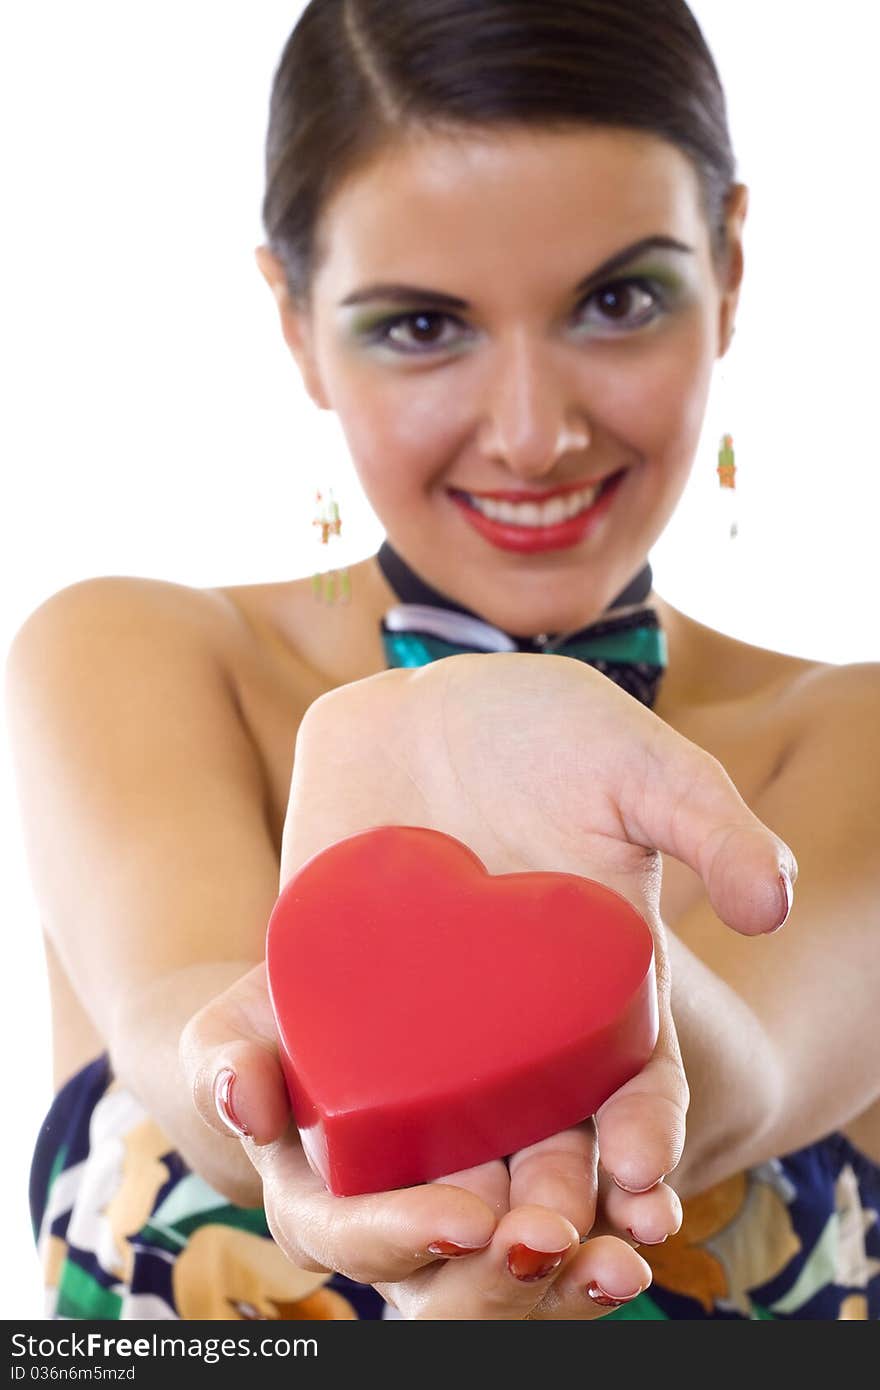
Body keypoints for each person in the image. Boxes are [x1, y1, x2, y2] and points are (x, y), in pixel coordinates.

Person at [7, 0, 879, 1322]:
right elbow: (196, 1046)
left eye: (620, 298)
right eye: (422, 326)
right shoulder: (129, 656)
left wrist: (559, 981)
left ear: (733, 267)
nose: (532, 435)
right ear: (296, 320)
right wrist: (297, 1096)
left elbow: (736, 1081)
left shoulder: (858, 738)